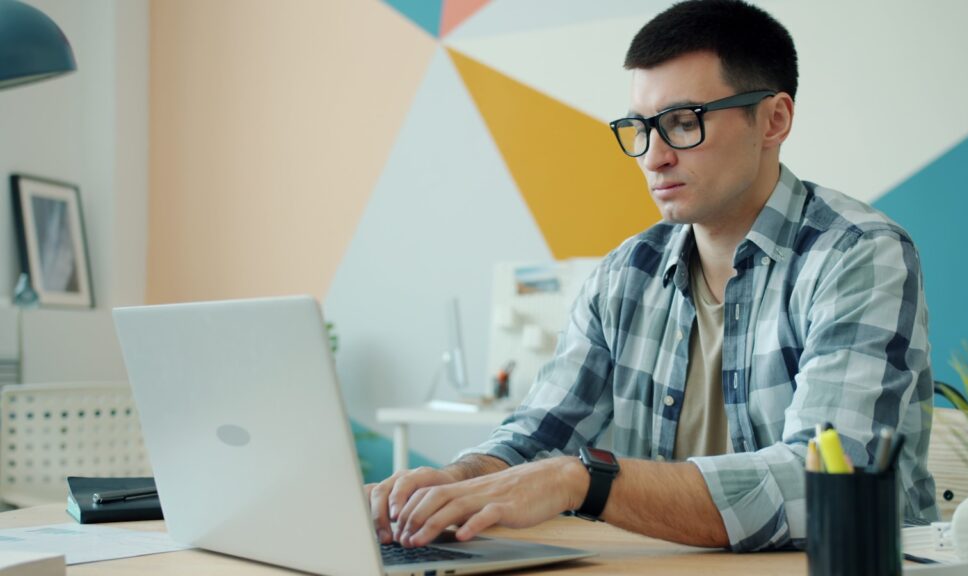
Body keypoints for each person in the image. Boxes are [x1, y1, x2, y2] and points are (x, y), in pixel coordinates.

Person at [366, 0, 937, 552]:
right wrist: (456, 481)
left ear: (774, 119)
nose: (653, 157)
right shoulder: (625, 274)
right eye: (641, 127)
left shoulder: (857, 255)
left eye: (683, 123)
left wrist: (583, 481)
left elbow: (827, 489)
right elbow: (538, 436)